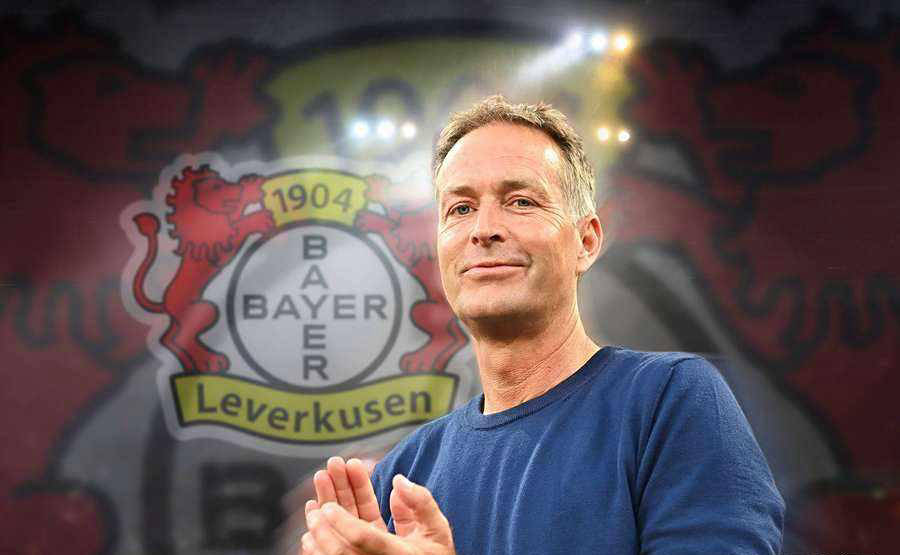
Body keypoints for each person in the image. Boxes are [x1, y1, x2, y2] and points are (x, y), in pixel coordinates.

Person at [298, 95, 785, 554]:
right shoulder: (405, 473)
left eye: (520, 201)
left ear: (586, 241)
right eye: (460, 208)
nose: (483, 229)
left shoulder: (669, 402)